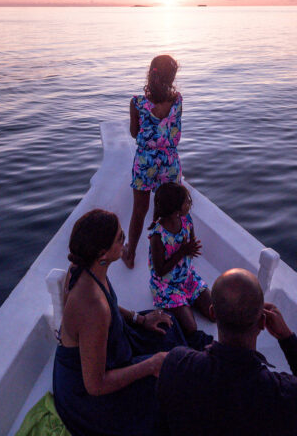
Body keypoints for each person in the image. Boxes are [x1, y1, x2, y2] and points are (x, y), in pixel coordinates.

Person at [157, 268, 297, 436]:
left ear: (212, 313)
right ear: (263, 322)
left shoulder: (177, 364)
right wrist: (287, 338)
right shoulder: (290, 396)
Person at [52, 209, 188, 436]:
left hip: (109, 346)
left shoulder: (84, 265)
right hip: (89, 394)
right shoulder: (92, 307)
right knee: (171, 384)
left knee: (167, 325)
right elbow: (95, 386)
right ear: (102, 253)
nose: (125, 239)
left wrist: (140, 319)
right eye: (120, 238)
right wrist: (151, 365)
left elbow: (109, 306)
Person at [123, 54, 182, 269]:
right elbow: (176, 132)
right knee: (169, 208)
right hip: (169, 160)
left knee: (139, 210)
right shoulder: (177, 100)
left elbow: (133, 133)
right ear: (172, 76)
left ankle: (130, 255)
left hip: (145, 161)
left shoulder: (137, 102)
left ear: (150, 73)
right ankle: (168, 252)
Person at [148, 182, 213, 346]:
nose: (189, 204)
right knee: (190, 328)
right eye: (186, 202)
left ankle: (189, 300)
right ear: (175, 209)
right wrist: (182, 252)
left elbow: (189, 244)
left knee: (214, 313)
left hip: (187, 277)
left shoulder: (187, 220)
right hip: (167, 285)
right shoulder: (158, 235)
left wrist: (191, 249)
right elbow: (160, 270)